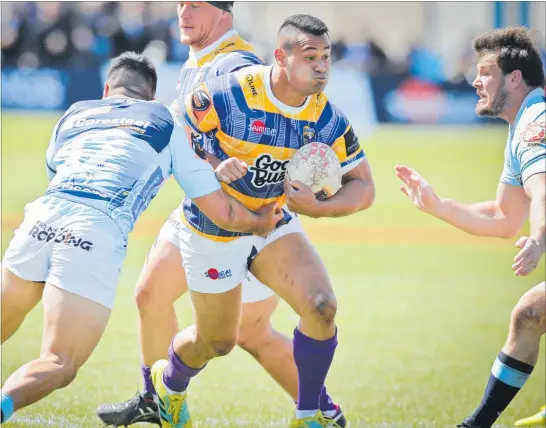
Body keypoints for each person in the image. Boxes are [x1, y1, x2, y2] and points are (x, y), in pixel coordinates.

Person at [96, 4, 347, 427]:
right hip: (205, 208)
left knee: (247, 332)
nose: (183, 12)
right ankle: (156, 399)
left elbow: (264, 137)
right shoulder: (200, 60)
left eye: (195, 5)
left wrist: (231, 184)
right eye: (180, 4)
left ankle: (321, 410)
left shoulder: (235, 63)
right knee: (150, 295)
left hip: (244, 218)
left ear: (223, 13)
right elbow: (194, 136)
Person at [0, 52, 281, 425]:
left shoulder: (75, 113)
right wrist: (258, 222)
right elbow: (220, 211)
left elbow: (56, 167)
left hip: (39, 221)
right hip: (93, 231)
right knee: (59, 362)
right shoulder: (164, 120)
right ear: (151, 97)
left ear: (107, 89)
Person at [150, 14, 375, 428]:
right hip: (214, 226)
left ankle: (307, 415)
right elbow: (175, 128)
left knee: (321, 306)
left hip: (272, 222)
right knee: (216, 342)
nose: (322, 66)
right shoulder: (234, 91)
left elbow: (364, 186)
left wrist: (318, 208)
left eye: (326, 56)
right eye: (310, 57)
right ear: (281, 57)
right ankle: (170, 384)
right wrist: (214, 163)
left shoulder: (326, 118)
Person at [394, 27, 545, 428]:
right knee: (531, 314)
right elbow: (503, 218)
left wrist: (538, 240)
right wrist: (438, 206)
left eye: (485, 72)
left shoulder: (534, 122)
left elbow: (543, 190)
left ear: (514, 78)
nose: (475, 80)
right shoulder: (523, 125)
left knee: (531, 311)